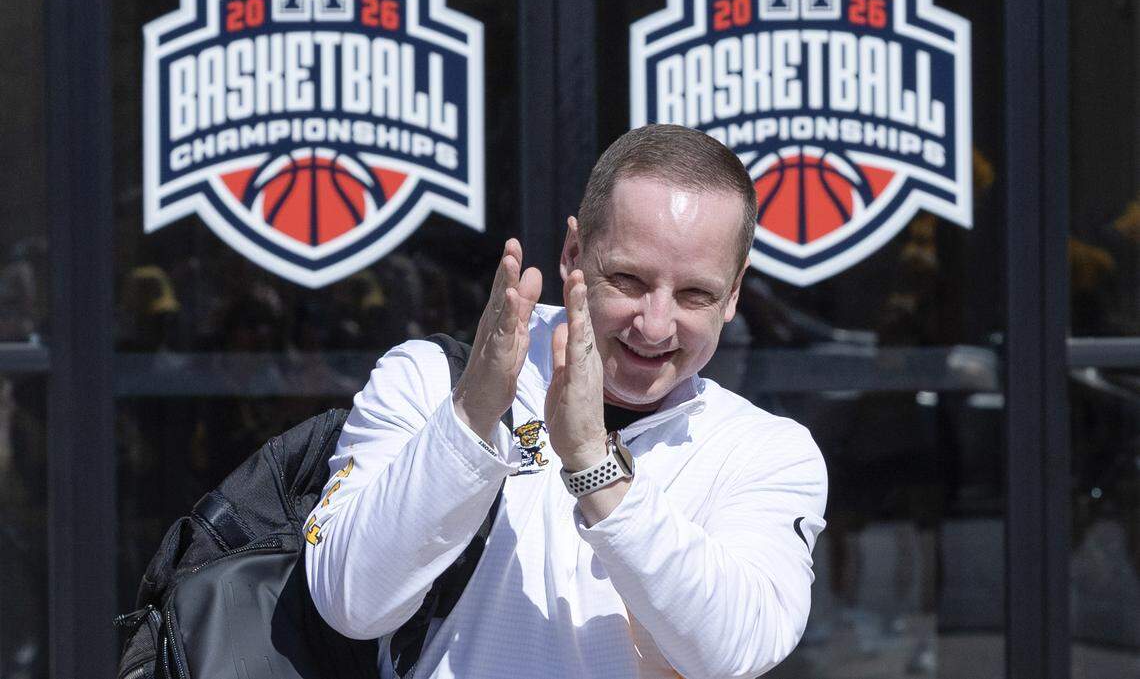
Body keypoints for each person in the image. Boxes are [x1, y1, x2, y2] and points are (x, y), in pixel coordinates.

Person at [305, 124, 828, 678]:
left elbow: (736, 651)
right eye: (629, 279)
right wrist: (469, 418)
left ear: (734, 292)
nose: (654, 326)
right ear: (574, 253)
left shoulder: (766, 450)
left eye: (695, 294)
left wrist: (595, 468)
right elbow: (350, 603)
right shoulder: (430, 378)